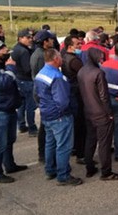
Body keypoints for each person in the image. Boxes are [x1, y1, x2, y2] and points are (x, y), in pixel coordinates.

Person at [34, 48, 82, 186]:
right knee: (63, 146)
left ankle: (50, 170)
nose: (62, 59)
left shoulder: (41, 73)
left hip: (46, 114)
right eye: (60, 57)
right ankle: (63, 175)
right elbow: (62, 101)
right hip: (59, 116)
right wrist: (63, 112)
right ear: (55, 59)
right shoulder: (57, 77)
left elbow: (36, 94)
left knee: (50, 143)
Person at [77, 47, 118, 180]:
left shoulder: (81, 71)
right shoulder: (98, 73)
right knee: (104, 143)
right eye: (101, 57)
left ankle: (89, 167)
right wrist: (109, 112)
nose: (102, 59)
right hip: (101, 113)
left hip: (88, 110)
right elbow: (104, 96)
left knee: (90, 140)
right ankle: (106, 172)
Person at [0, 40, 28, 183]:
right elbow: (3, 82)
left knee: (10, 140)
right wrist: (10, 68)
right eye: (4, 50)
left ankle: (10, 165)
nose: (7, 53)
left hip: (8, 107)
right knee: (0, 143)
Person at [61, 35, 86, 164]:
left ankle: (75, 148)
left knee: (76, 123)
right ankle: (81, 154)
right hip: (76, 93)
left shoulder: (64, 57)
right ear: (70, 47)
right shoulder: (75, 61)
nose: (80, 46)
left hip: (71, 93)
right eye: (77, 44)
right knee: (80, 124)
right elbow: (84, 75)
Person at [31, 30, 55, 163]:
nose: (52, 41)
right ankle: (43, 153)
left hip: (39, 92)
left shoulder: (38, 53)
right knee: (45, 126)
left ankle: (45, 152)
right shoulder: (41, 56)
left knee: (45, 125)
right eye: (50, 40)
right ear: (45, 42)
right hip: (42, 93)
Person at [11, 28, 38, 136]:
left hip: (19, 79)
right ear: (20, 38)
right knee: (30, 106)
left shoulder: (16, 48)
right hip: (26, 80)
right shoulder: (23, 51)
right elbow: (27, 69)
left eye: (31, 37)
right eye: (27, 37)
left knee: (21, 105)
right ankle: (32, 128)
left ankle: (21, 125)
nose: (30, 39)